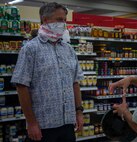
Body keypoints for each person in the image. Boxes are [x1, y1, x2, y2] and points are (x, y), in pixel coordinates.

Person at [11, 2, 84, 142]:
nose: (63, 24)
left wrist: (79, 112)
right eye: (59, 20)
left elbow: (75, 83)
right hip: (43, 126)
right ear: (45, 20)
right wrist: (31, 123)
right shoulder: (30, 49)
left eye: (64, 20)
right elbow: (21, 87)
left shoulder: (69, 50)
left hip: (68, 123)